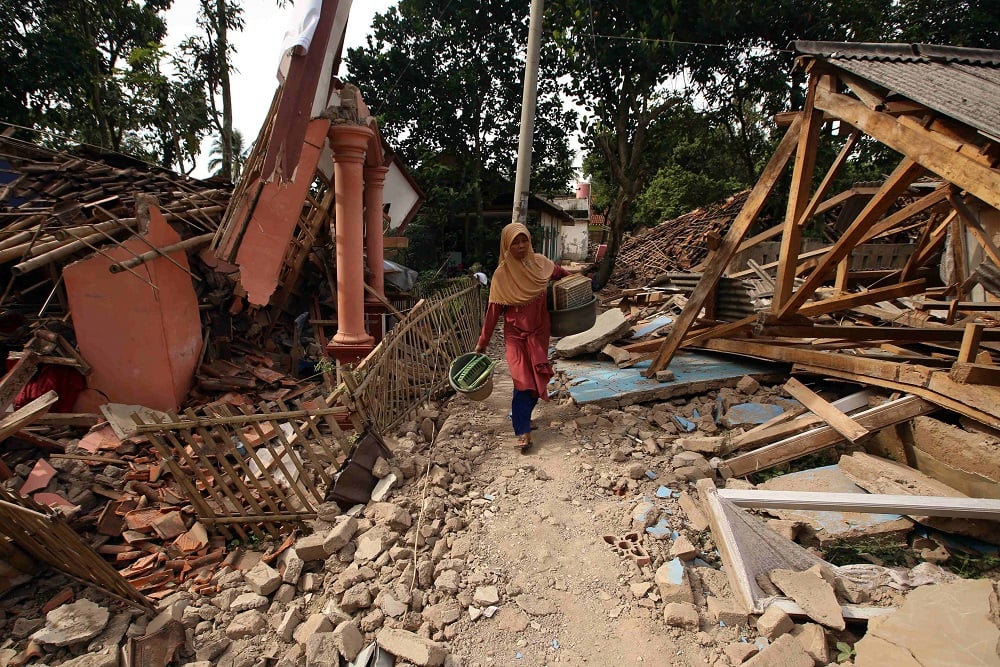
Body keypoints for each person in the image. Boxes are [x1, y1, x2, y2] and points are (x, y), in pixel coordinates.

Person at [475, 222, 569, 451]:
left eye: (524, 239)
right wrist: (482, 343)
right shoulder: (501, 275)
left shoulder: (540, 263)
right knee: (521, 380)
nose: (520, 245)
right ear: (506, 245)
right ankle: (523, 431)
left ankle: (523, 417)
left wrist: (579, 284)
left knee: (536, 379)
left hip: (539, 332)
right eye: (515, 242)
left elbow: (562, 274)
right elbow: (493, 313)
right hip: (515, 335)